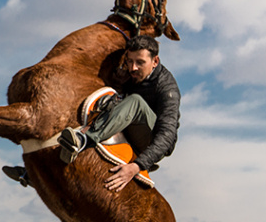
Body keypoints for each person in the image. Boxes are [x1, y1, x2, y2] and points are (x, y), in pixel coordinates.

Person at [57, 35, 180, 192]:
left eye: (140, 62)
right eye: (130, 61)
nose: (133, 67)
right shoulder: (130, 74)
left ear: (155, 61)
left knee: (135, 101)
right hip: (127, 124)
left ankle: (83, 139)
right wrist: (118, 86)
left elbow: (167, 136)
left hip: (151, 140)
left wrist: (137, 166)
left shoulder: (168, 89)